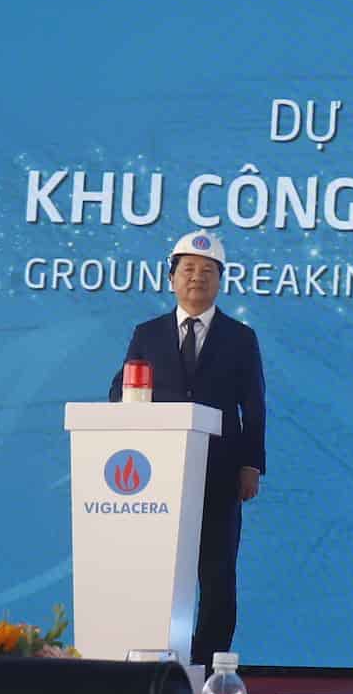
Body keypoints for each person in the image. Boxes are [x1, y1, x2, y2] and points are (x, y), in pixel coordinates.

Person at [108, 231, 266, 668]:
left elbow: (253, 406)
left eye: (207, 271)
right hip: (156, 474)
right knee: (157, 569)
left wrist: (251, 465)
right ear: (172, 278)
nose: (197, 277)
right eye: (188, 269)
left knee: (217, 572)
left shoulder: (241, 337)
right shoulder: (147, 333)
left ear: (221, 280)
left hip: (220, 472)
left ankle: (208, 664)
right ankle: (154, 657)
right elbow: (120, 390)